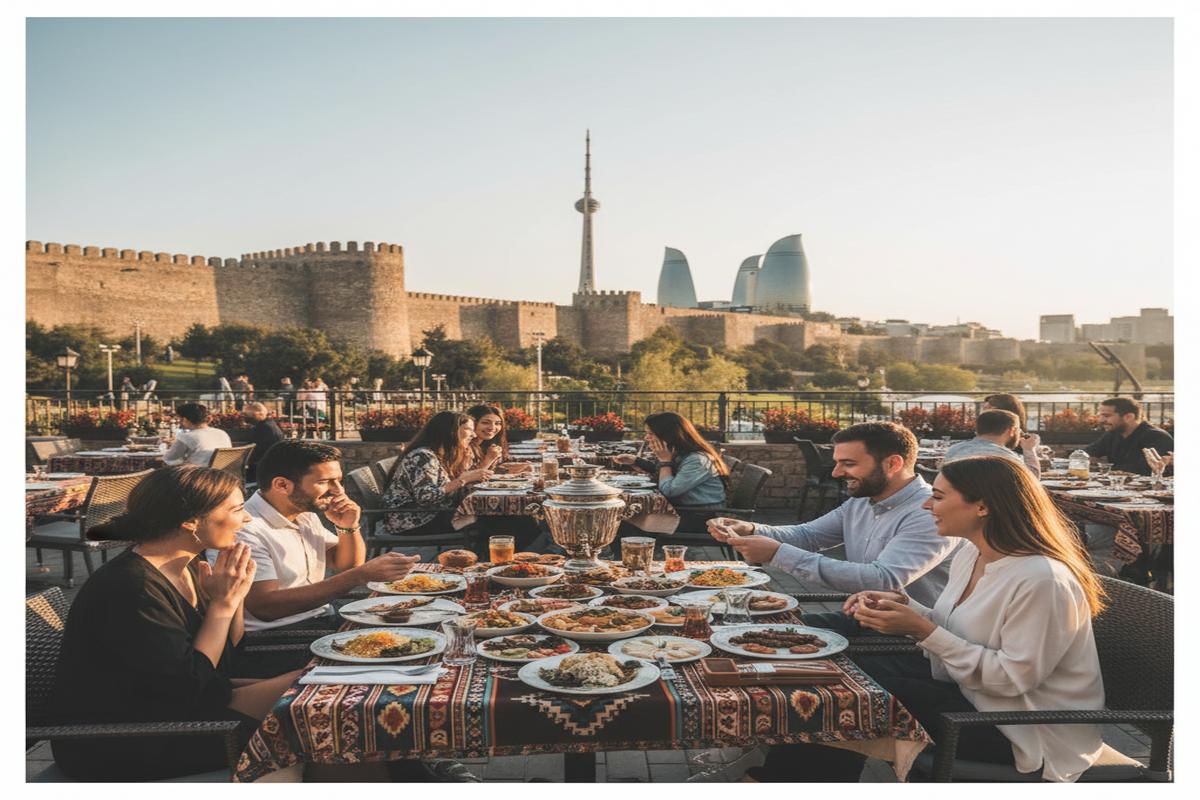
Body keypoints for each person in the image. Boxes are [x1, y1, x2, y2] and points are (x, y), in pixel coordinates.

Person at [742, 456, 1106, 782]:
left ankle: (773, 781)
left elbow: (1011, 680)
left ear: (983, 506)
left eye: (939, 496)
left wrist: (922, 630)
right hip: (969, 694)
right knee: (837, 676)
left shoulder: (1041, 579)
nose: (926, 504)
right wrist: (905, 607)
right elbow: (959, 627)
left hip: (1021, 730)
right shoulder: (972, 554)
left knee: (848, 698)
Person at [51, 466, 302, 781]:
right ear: (190, 521)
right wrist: (222, 607)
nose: (247, 518)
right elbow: (190, 686)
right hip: (127, 740)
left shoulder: (189, 566)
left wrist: (232, 599)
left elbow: (228, 662)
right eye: (237, 509)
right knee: (305, 730)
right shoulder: (133, 588)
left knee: (316, 689)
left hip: (181, 710)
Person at [706, 422, 958, 608]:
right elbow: (809, 535)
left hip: (908, 640)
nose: (836, 473)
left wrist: (776, 553)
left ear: (892, 464)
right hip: (862, 619)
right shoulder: (862, 501)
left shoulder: (928, 513)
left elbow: (883, 580)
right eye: (837, 462)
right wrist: (751, 529)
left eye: (848, 464)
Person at [233, 440, 420, 637]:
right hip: (279, 638)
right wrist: (359, 576)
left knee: (422, 622)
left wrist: (347, 526)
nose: (338, 490)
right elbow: (266, 608)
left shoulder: (304, 514)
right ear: (282, 485)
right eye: (324, 482)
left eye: (339, 480)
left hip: (320, 620)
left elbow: (345, 564)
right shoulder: (246, 530)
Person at [381, 411, 492, 537]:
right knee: (490, 519)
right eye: (468, 429)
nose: (473, 435)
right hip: (413, 520)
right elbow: (426, 497)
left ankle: (484, 554)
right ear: (449, 431)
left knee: (491, 513)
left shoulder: (440, 454)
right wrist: (462, 480)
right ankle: (485, 554)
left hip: (432, 513)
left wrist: (470, 475)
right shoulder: (423, 456)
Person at [614, 411, 728, 528]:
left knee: (624, 520)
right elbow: (665, 473)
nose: (646, 437)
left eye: (651, 433)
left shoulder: (697, 459)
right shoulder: (679, 452)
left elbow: (668, 490)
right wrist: (636, 461)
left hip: (701, 516)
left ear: (668, 435)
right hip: (686, 509)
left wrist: (665, 461)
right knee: (625, 515)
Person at [1085, 397, 1174, 476]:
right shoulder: (1113, 433)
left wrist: (1105, 466)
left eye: (1106, 416)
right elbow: (1083, 454)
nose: (1100, 420)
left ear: (1129, 417)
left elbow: (1145, 471)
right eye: (1100, 415)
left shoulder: (1156, 437)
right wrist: (1101, 464)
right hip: (1119, 488)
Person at [943, 409, 1041, 476]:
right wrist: (1029, 450)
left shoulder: (953, 450)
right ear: (1011, 431)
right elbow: (1032, 480)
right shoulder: (1006, 458)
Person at [162, 402, 233, 466]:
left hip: (198, 476)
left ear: (185, 419)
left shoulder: (186, 436)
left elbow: (168, 459)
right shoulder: (222, 433)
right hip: (222, 475)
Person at [242, 401, 285, 477]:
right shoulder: (270, 424)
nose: (244, 417)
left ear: (257, 415)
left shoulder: (262, 428)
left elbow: (251, 451)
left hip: (261, 469)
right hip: (272, 465)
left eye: (247, 415)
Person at [466, 403, 508, 471]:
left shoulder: (487, 444)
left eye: (497, 423)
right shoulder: (464, 447)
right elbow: (468, 477)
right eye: (485, 423)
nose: (492, 428)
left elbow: (492, 469)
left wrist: (518, 468)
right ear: (471, 423)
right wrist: (489, 459)